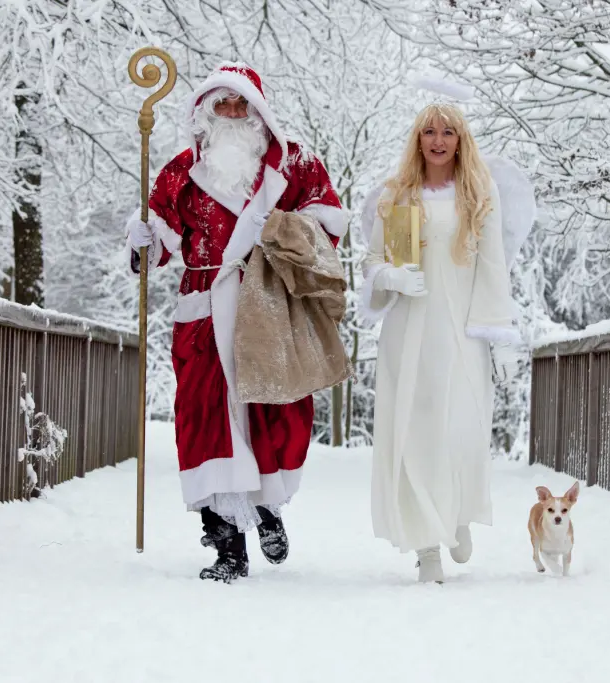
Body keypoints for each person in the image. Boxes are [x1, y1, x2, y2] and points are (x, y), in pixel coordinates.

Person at [124, 62, 348, 583]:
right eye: (220, 104)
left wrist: (278, 232)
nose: (230, 113)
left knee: (278, 413)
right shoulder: (181, 172)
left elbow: (327, 225)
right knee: (204, 425)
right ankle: (228, 547)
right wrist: (143, 241)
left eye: (240, 103)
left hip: (267, 306)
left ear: (258, 110)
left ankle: (268, 510)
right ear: (204, 111)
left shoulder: (296, 164)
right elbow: (158, 239)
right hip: (202, 311)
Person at [360, 103, 532, 583]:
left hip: (462, 332)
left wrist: (499, 337)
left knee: (459, 430)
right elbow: (375, 261)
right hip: (409, 333)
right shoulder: (399, 194)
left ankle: (457, 514)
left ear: (461, 140)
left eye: (448, 132)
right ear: (418, 139)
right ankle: (426, 548)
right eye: (429, 132)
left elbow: (493, 266)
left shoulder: (479, 193)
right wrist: (391, 275)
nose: (438, 140)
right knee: (414, 435)